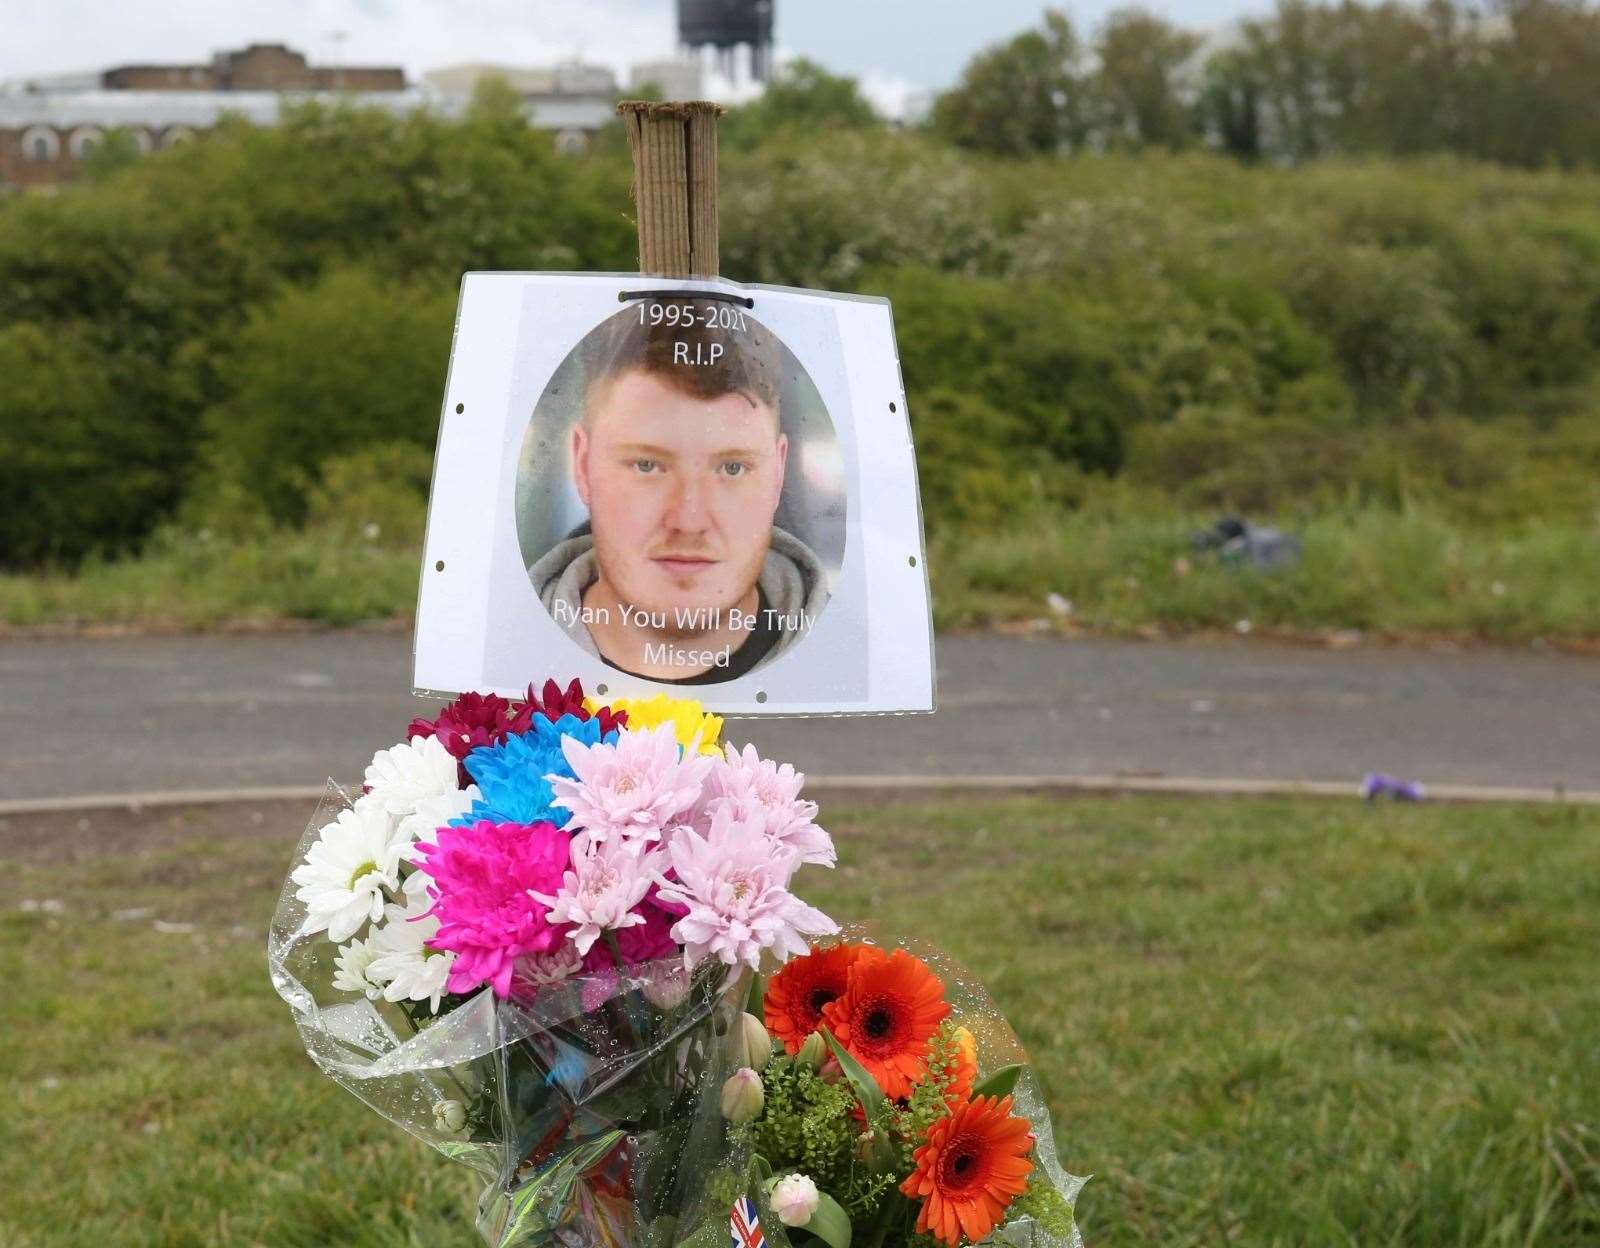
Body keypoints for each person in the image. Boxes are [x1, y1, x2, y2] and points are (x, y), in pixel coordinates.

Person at [529, 301, 829, 684]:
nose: (689, 522)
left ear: (778, 473)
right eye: (647, 466)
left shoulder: (849, 674)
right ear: (583, 465)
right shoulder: (499, 667)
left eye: (732, 468)